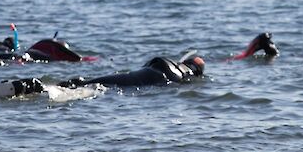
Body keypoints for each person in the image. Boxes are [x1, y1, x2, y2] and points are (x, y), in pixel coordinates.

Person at [59, 54, 205, 90]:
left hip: (154, 67)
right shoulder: (189, 74)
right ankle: (79, 85)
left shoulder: (176, 62)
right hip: (167, 76)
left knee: (118, 79)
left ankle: (76, 83)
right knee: (121, 84)